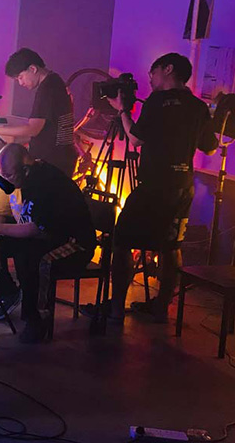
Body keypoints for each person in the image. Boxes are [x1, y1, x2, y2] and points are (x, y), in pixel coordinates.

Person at [93, 53, 218, 324]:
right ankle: (161, 307)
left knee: (122, 241)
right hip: (183, 186)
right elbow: (209, 147)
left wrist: (122, 111)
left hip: (154, 185)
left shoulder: (157, 101)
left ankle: (115, 309)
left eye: (153, 71)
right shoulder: (198, 107)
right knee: (171, 246)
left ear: (168, 69)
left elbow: (136, 139)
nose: (150, 78)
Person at [0, 143, 96, 343]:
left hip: (73, 242)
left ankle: (36, 318)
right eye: (0, 173)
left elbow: (36, 229)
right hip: (40, 237)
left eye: (8, 175)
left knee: (31, 258)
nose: (3, 179)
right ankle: (8, 292)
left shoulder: (46, 182)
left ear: (26, 170)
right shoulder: (11, 178)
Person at [0, 48, 77, 178]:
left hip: (53, 162)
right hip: (60, 158)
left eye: (21, 77)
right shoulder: (55, 81)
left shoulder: (48, 89)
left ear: (33, 69)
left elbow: (33, 129)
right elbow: (48, 126)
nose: (20, 83)